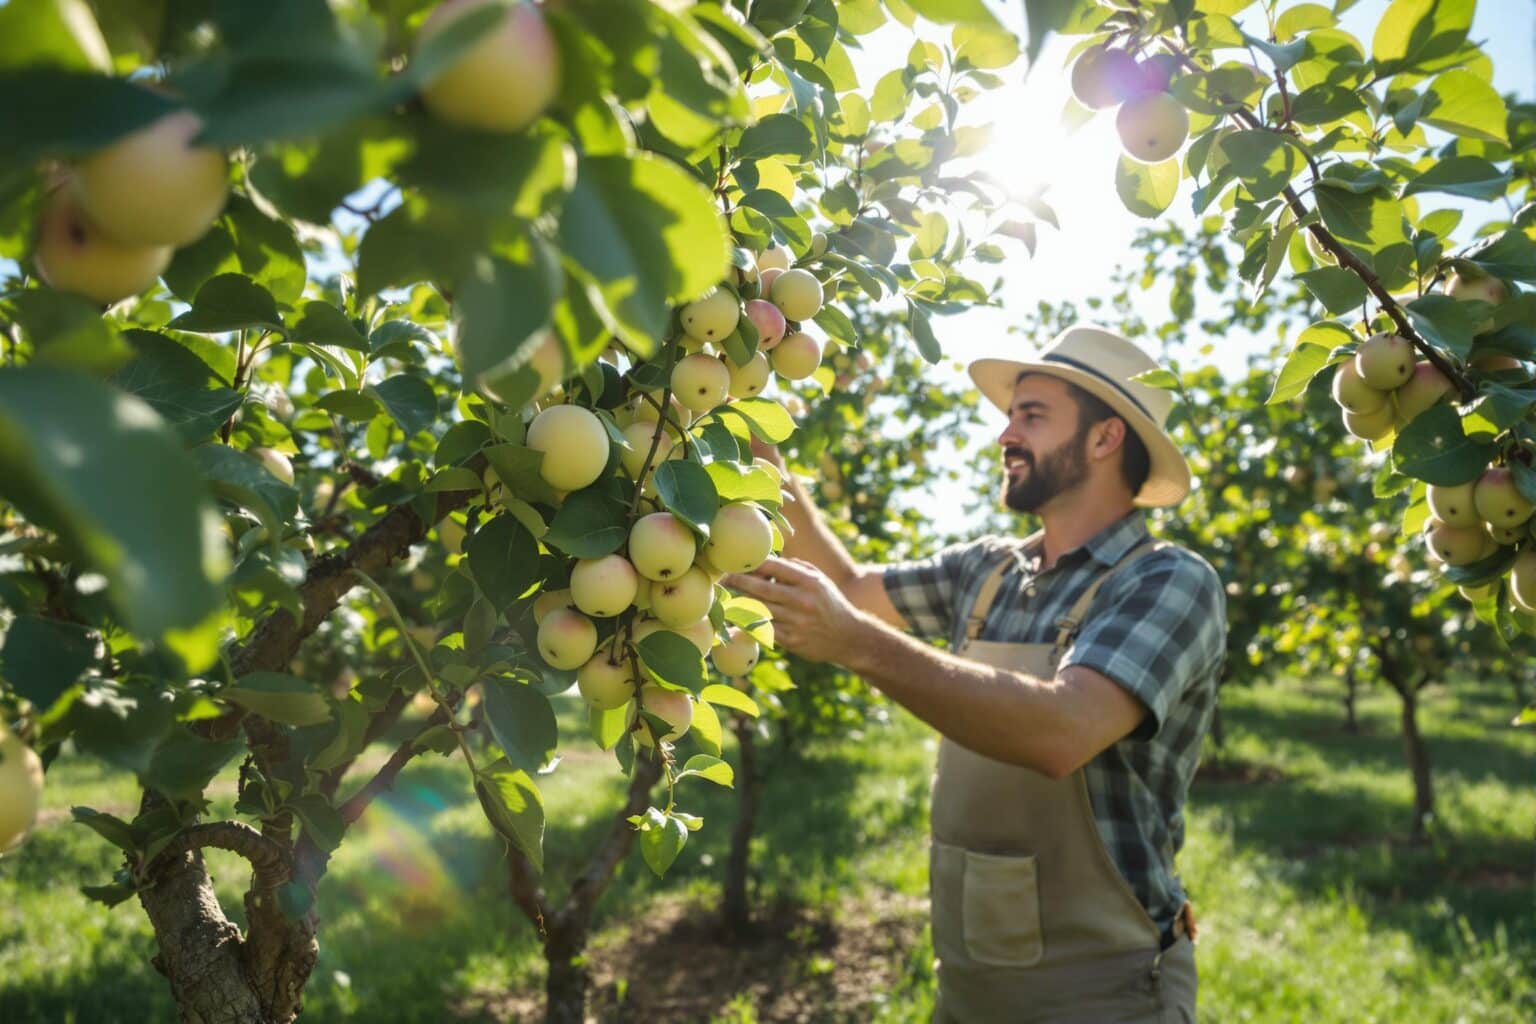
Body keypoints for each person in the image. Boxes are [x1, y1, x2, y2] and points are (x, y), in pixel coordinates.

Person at [727, 324, 1227, 1023]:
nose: (1004, 436)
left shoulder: (1168, 581)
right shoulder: (987, 571)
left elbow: (1064, 729)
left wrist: (857, 643)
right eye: (1009, 416)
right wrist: (745, 434)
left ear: (1105, 438)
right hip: (969, 989)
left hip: (1104, 997)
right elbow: (846, 584)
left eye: (1032, 415)